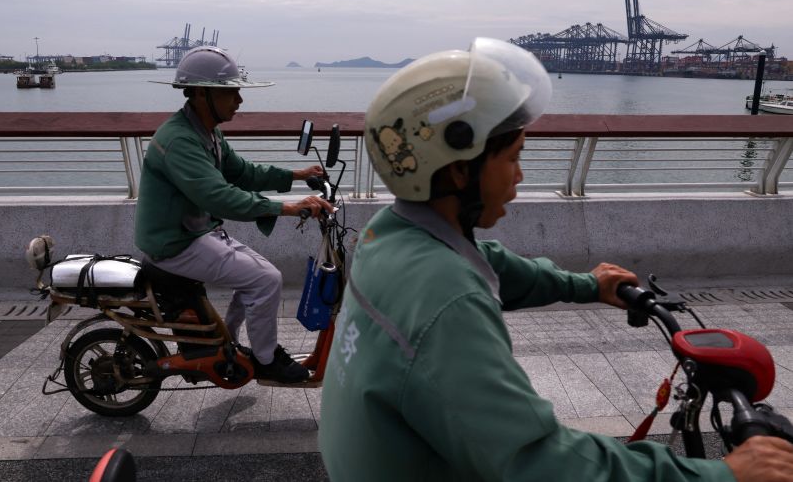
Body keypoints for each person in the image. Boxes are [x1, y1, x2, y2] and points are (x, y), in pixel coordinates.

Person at [318, 38, 793, 481]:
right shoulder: (448, 300)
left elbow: (484, 259)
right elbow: (538, 461)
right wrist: (720, 473)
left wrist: (583, 284)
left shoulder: (388, 231)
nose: (520, 177)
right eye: (513, 157)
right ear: (462, 171)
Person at [135, 46, 332, 384]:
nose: (238, 100)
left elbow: (242, 172)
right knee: (265, 279)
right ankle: (267, 361)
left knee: (256, 274)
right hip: (175, 243)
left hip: (194, 232)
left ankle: (231, 342)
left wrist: (295, 175)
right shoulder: (180, 140)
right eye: (230, 92)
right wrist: (287, 207)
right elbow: (219, 196)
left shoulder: (205, 131)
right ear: (201, 94)